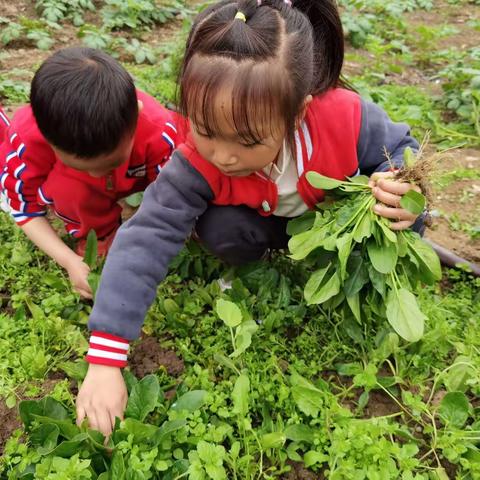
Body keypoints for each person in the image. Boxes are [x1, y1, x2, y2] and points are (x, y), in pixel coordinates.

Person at [76, 0, 423, 435]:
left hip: (328, 226)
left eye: (247, 139)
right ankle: (259, 260)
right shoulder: (195, 162)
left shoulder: (344, 118)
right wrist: (105, 361)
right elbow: (146, 236)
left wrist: (399, 185)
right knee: (221, 229)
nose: (222, 155)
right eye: (204, 130)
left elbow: (403, 150)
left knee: (398, 219)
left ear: (296, 114)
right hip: (268, 224)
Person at [0, 47, 182, 299]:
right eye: (83, 166)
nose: (96, 175)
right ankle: (99, 231)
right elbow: (24, 209)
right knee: (72, 186)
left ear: (137, 115)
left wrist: (145, 229)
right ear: (46, 138)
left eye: (112, 162)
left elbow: (175, 195)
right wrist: (69, 261)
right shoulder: (28, 141)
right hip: (68, 186)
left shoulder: (158, 131)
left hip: (139, 175)